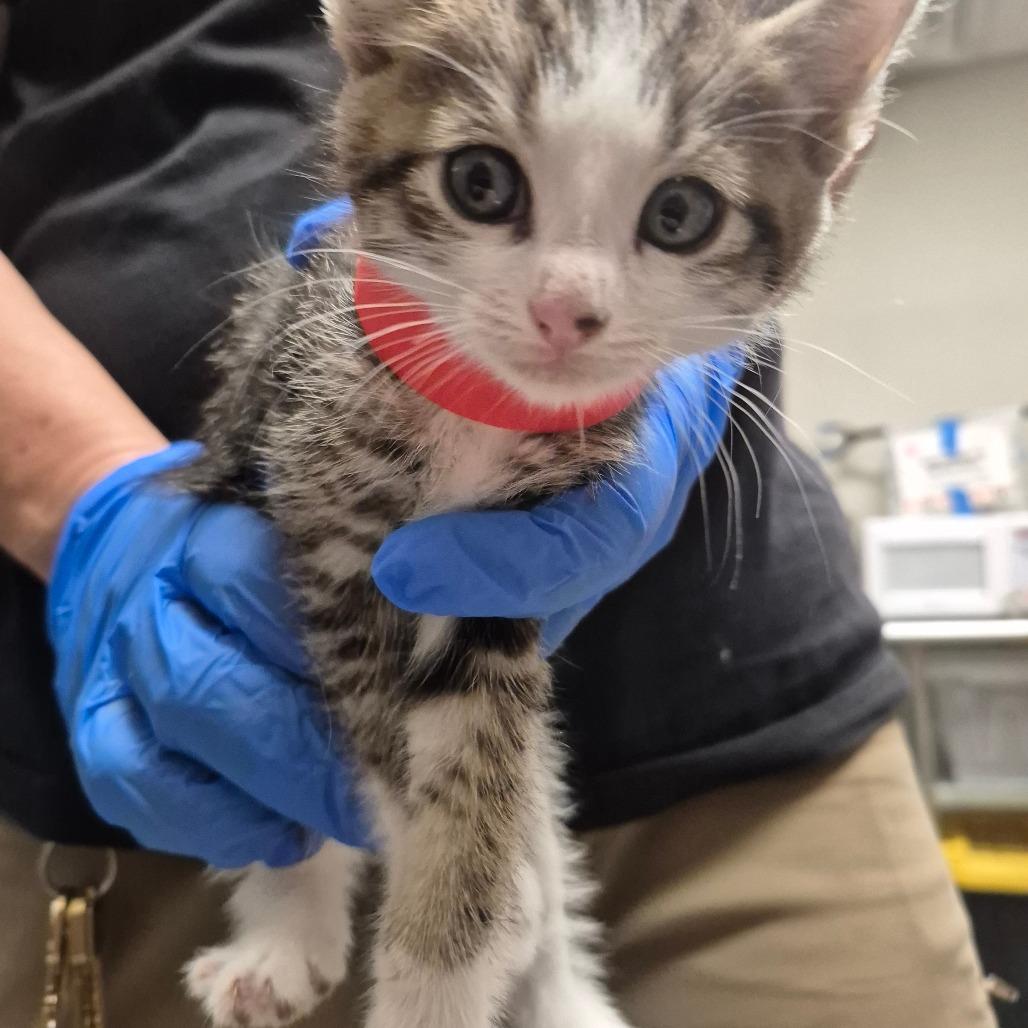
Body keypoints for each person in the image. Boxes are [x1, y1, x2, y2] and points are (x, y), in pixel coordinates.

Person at [0, 2, 998, 1026]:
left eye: (677, 215)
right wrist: (75, 484)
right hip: (170, 759)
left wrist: (701, 364)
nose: (566, 310)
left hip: (749, 719)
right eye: (485, 184)